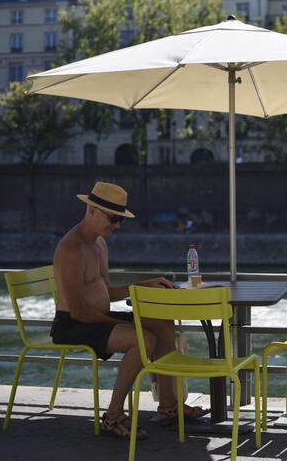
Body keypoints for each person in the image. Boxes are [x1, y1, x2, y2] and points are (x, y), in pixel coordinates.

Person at [50, 182, 209, 439]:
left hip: (97, 319)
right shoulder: (71, 249)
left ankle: (170, 407)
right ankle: (113, 416)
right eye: (113, 218)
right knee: (143, 337)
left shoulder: (99, 244)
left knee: (161, 321)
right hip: (73, 324)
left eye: (120, 220)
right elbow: (78, 310)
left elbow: (104, 292)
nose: (116, 225)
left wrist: (141, 285)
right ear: (92, 210)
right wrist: (121, 325)